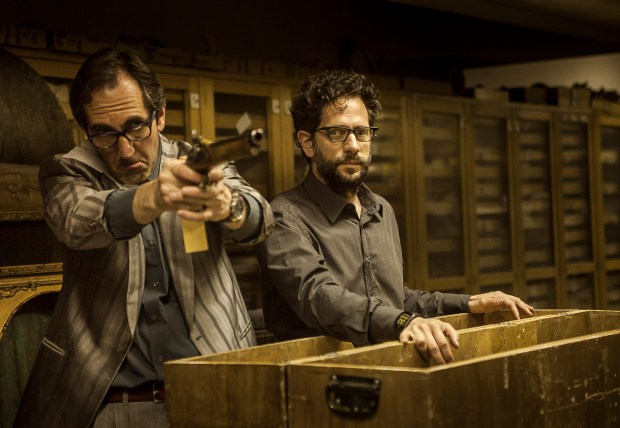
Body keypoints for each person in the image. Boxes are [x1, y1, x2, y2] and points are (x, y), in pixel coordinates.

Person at [15, 48, 273, 428]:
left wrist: (227, 206)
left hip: (215, 386)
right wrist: (153, 196)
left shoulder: (193, 158)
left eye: (136, 126)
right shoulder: (68, 169)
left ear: (160, 115)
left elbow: (261, 219)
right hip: (115, 403)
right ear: (86, 130)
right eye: (105, 132)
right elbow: (74, 220)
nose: (125, 149)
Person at [255, 69, 534, 366]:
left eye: (362, 132)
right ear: (308, 142)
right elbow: (320, 298)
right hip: (319, 376)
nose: (353, 145)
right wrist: (402, 322)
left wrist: (470, 303)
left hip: (390, 368)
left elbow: (394, 300)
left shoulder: (380, 210)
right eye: (337, 133)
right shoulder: (283, 218)